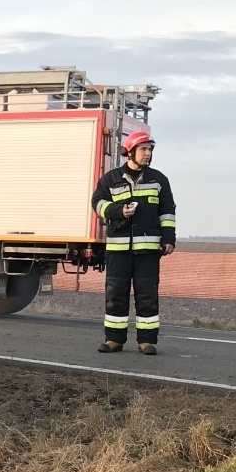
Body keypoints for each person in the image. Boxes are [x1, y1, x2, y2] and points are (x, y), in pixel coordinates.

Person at [91, 131, 176, 355]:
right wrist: (118, 211)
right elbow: (97, 203)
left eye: (150, 149)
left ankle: (146, 341)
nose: (148, 153)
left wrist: (169, 239)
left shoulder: (159, 180)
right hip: (118, 250)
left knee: (147, 296)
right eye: (143, 149)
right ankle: (114, 340)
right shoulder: (111, 178)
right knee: (115, 295)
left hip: (148, 250)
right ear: (130, 152)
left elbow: (167, 211)